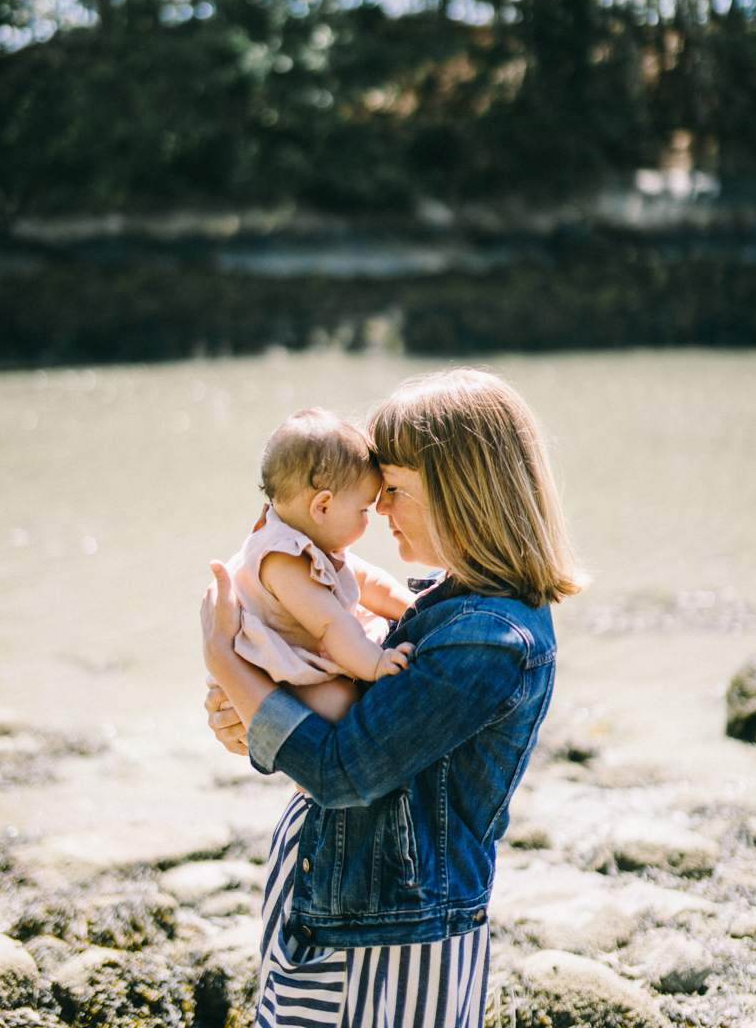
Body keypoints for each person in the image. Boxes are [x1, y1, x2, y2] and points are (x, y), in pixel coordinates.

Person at [201, 368, 586, 1028]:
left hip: (398, 935)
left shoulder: (487, 640)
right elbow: (349, 728)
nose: (378, 509)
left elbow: (343, 769)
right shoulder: (440, 604)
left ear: (461, 493)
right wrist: (252, 715)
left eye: (396, 489)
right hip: (341, 895)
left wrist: (225, 661)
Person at [224, 407, 414, 724]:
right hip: (274, 668)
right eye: (364, 509)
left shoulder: (309, 539)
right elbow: (329, 624)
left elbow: (369, 582)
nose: (373, 516)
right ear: (322, 506)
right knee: (341, 702)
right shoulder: (282, 558)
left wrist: (414, 606)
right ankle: (308, 766)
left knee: (360, 655)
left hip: (308, 648)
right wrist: (377, 663)